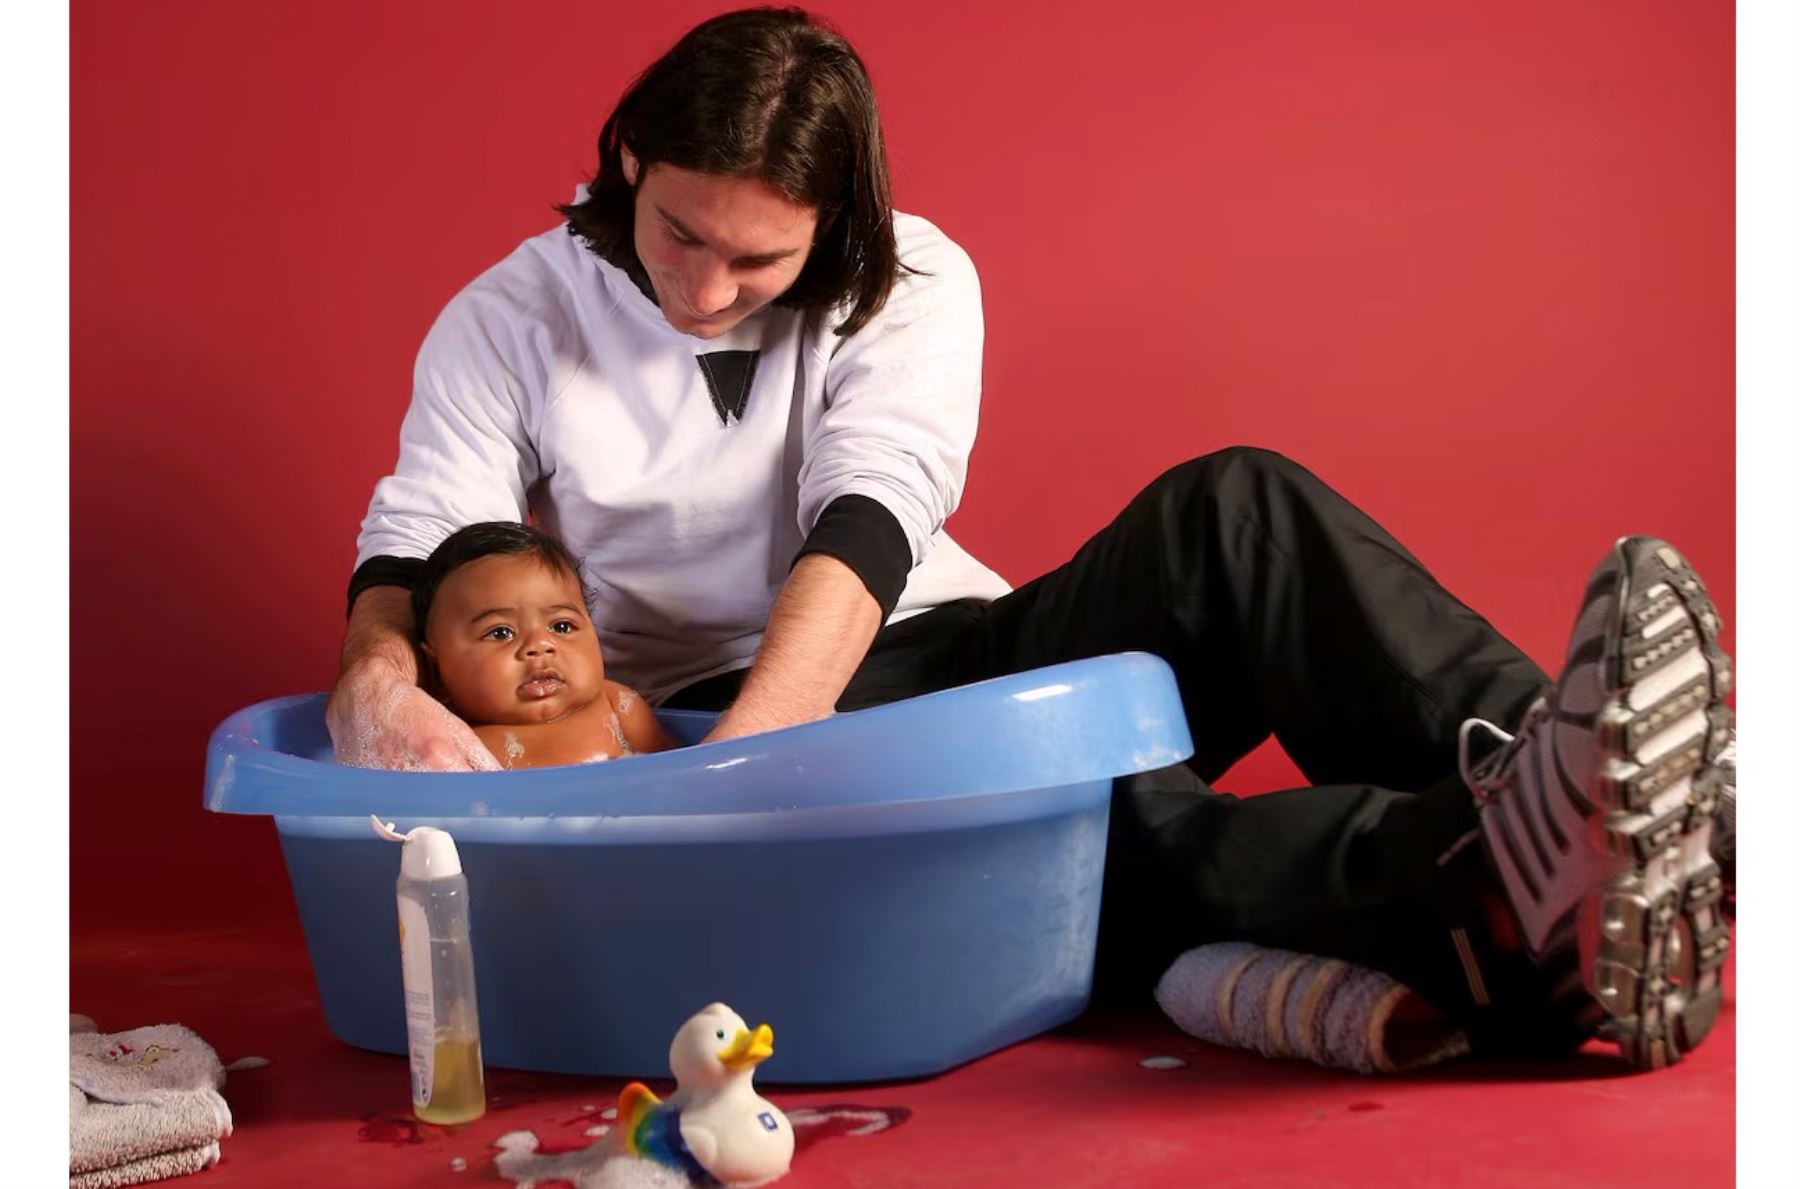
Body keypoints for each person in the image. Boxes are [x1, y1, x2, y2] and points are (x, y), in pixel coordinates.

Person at [327, 7, 1734, 1071]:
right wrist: (381, 683)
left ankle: (1594, 785)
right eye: (682, 232)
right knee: (1089, 816)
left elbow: (871, 512)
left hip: (905, 644)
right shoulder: (512, 314)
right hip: (705, 716)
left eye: (760, 260)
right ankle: (1492, 878)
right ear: (631, 156)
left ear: (837, 223)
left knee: (1236, 504)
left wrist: (771, 752)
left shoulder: (918, 272)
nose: (709, 286)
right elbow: (422, 538)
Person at [408, 522, 677, 769]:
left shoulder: (619, 706)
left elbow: (677, 777)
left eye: (561, 626)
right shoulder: (442, 738)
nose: (539, 645)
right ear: (436, 666)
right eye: (501, 633)